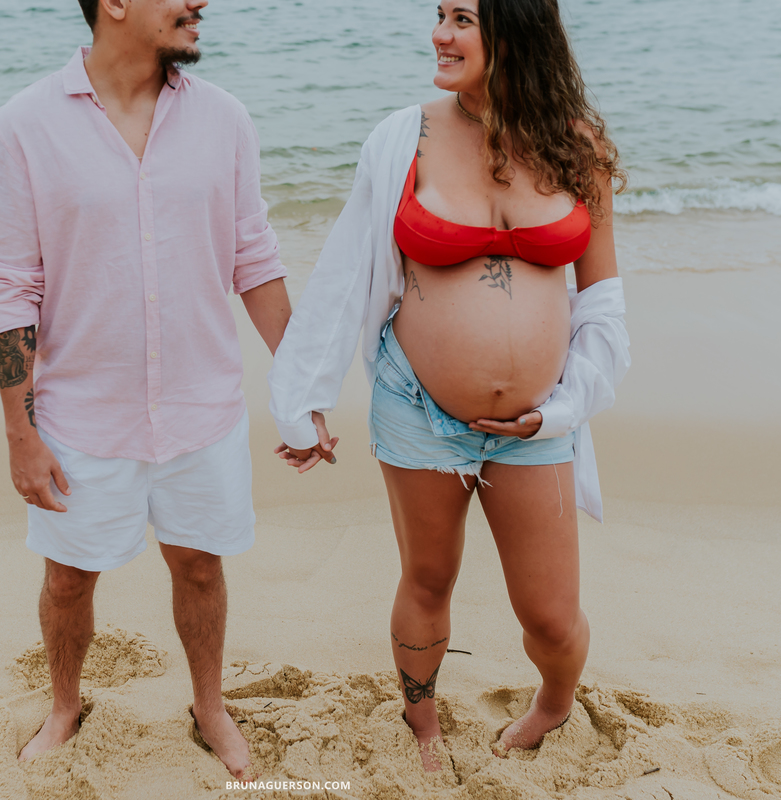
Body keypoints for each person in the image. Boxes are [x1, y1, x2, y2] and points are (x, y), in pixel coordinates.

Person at [267, 0, 630, 772]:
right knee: (427, 577)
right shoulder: (406, 138)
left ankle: (555, 702)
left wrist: (563, 407)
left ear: (515, 28)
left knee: (552, 616)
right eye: (439, 14)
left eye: (462, 17)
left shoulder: (576, 146)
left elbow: (602, 301)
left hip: (541, 419)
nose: (439, 33)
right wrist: (302, 397)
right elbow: (344, 275)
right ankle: (422, 722)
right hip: (417, 407)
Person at [0, 0, 298, 778]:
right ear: (114, 4)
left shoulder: (224, 119)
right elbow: (10, 288)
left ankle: (209, 705)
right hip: (81, 415)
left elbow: (251, 255)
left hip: (202, 405)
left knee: (199, 566)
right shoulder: (22, 127)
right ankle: (64, 704)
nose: (200, 3)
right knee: (68, 576)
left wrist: (300, 383)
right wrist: (21, 433)